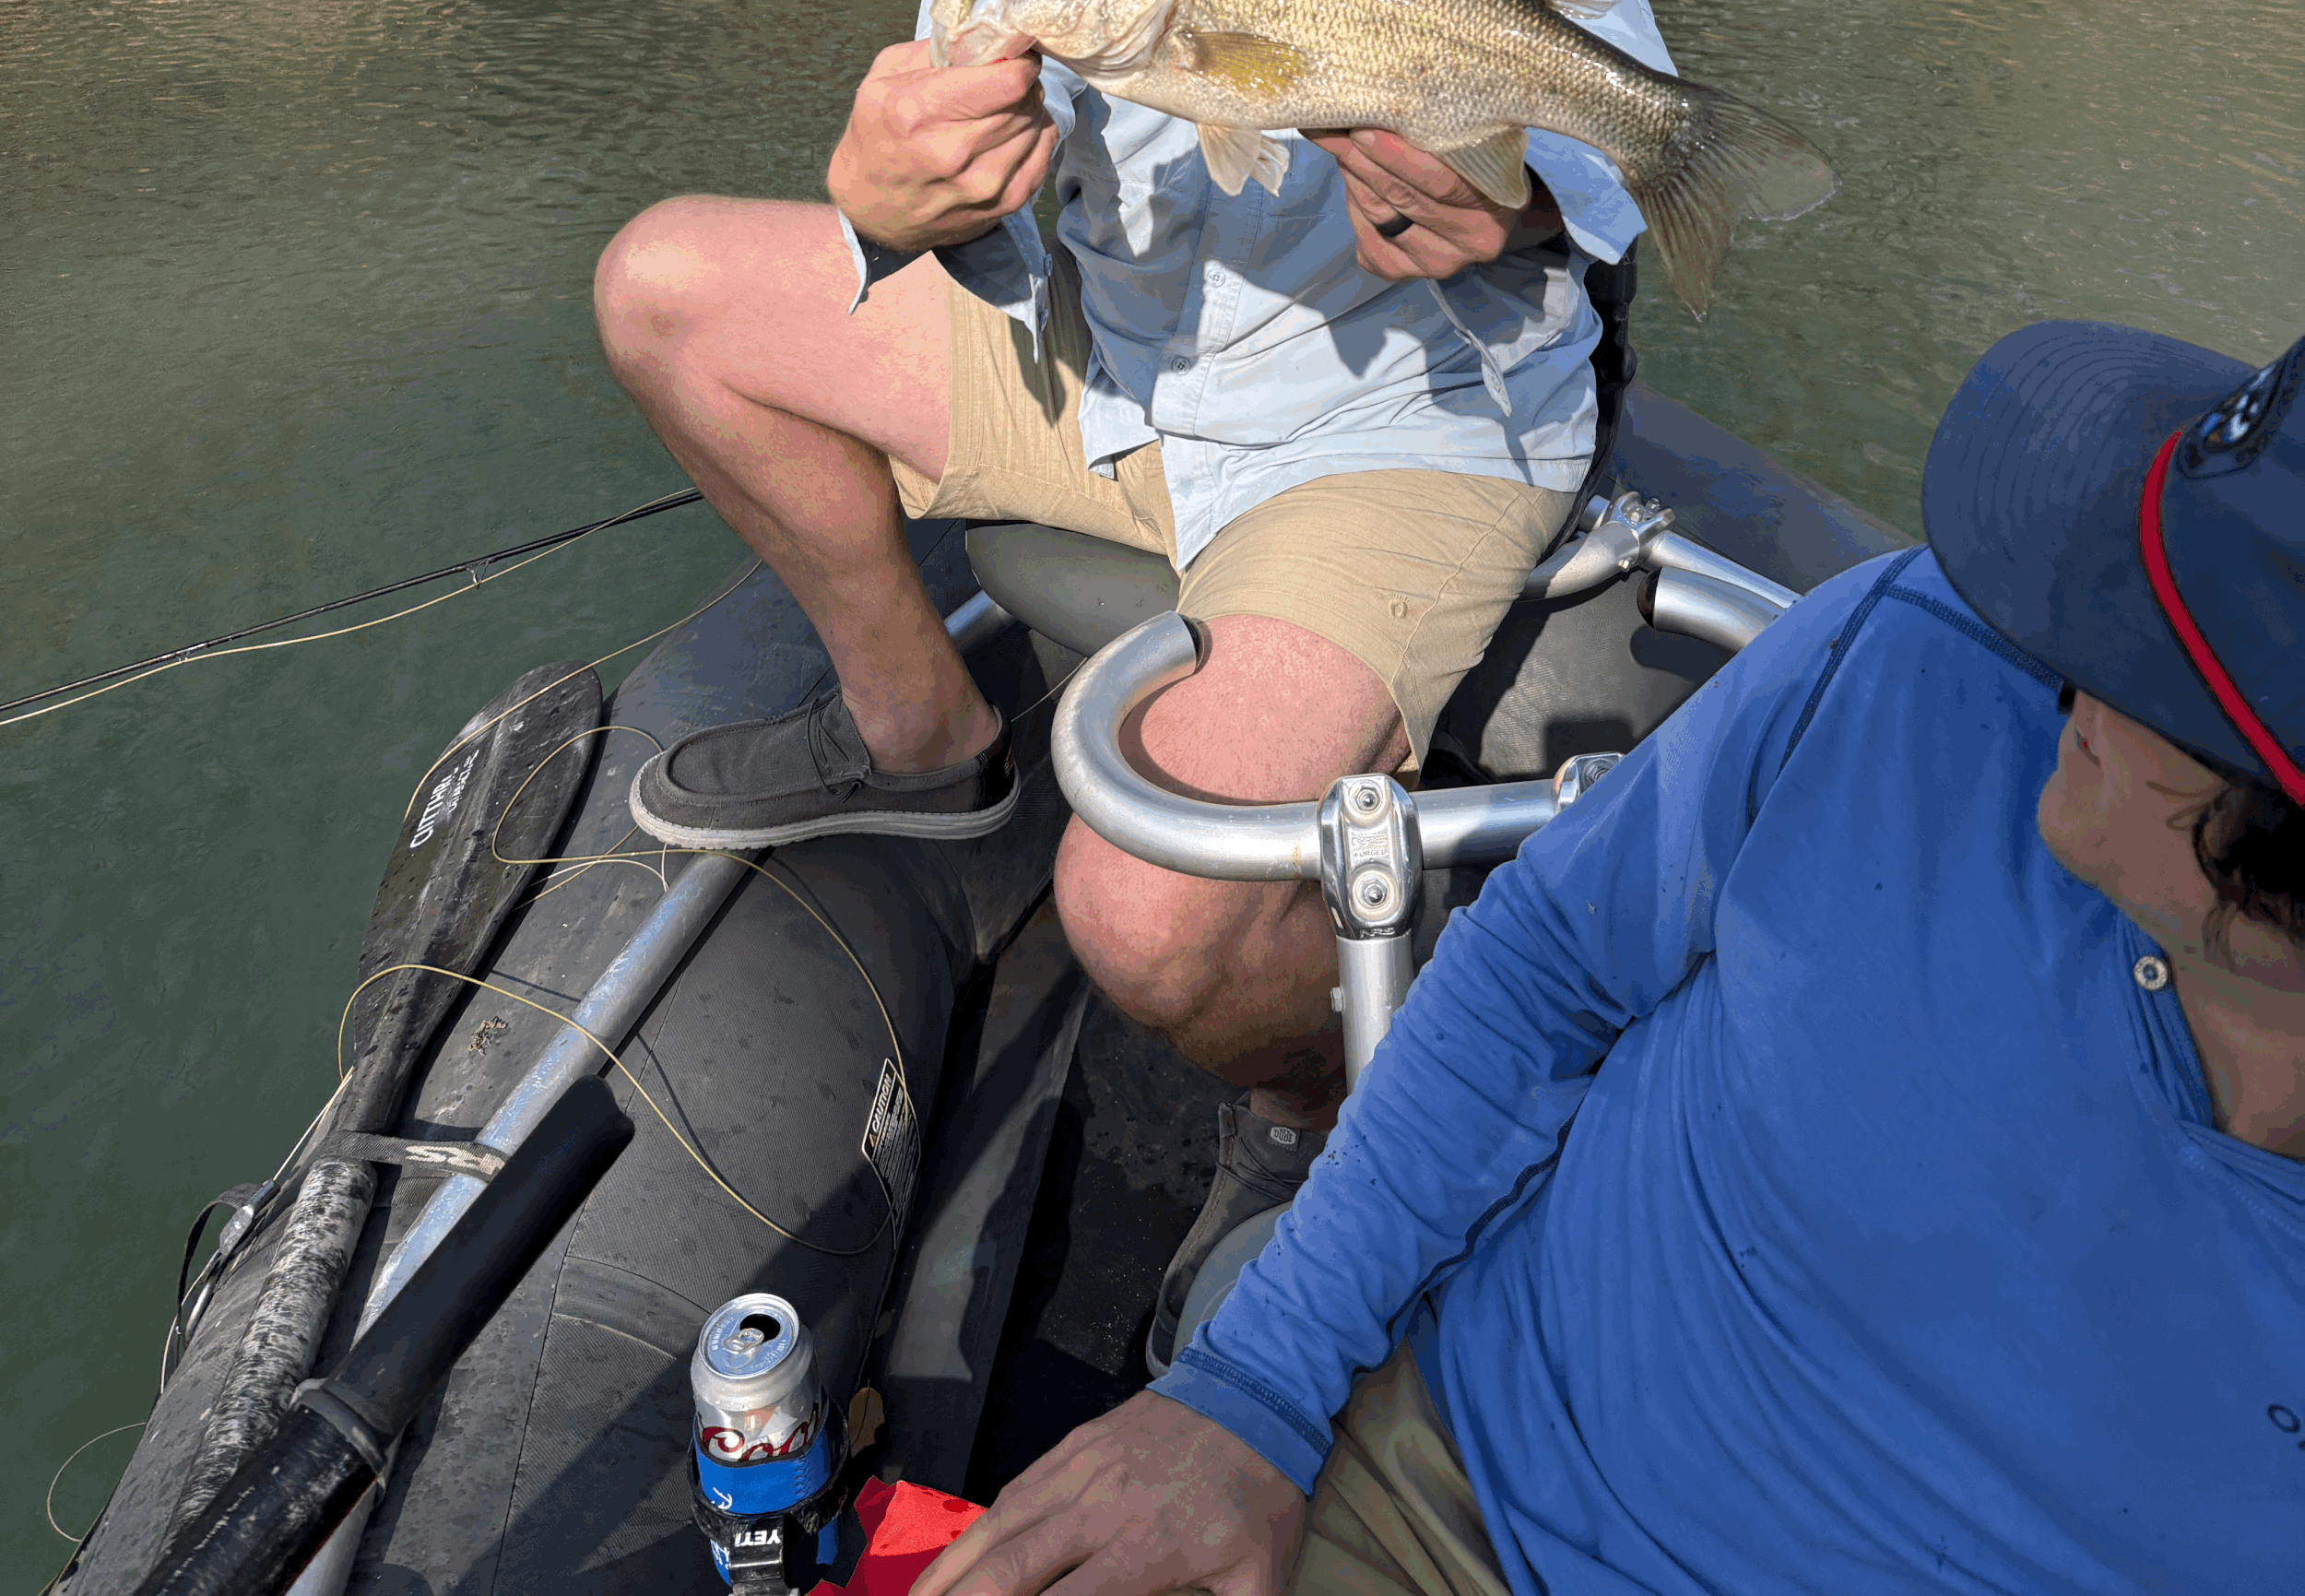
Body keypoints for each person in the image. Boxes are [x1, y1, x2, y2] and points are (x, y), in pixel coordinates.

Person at [592, 0, 1674, 1355]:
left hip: (1394, 414)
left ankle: (1309, 1112)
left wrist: (1513, 208)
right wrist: (891, 209)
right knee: (664, 281)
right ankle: (921, 739)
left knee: (1146, 913)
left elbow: (1600, 176)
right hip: (1115, 363)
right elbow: (990, 238)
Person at [910, 315, 2305, 1596]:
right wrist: (1251, 1393)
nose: (2062, 635)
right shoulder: (1923, 657)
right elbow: (1543, 965)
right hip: (1446, 1488)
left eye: (2153, 649)